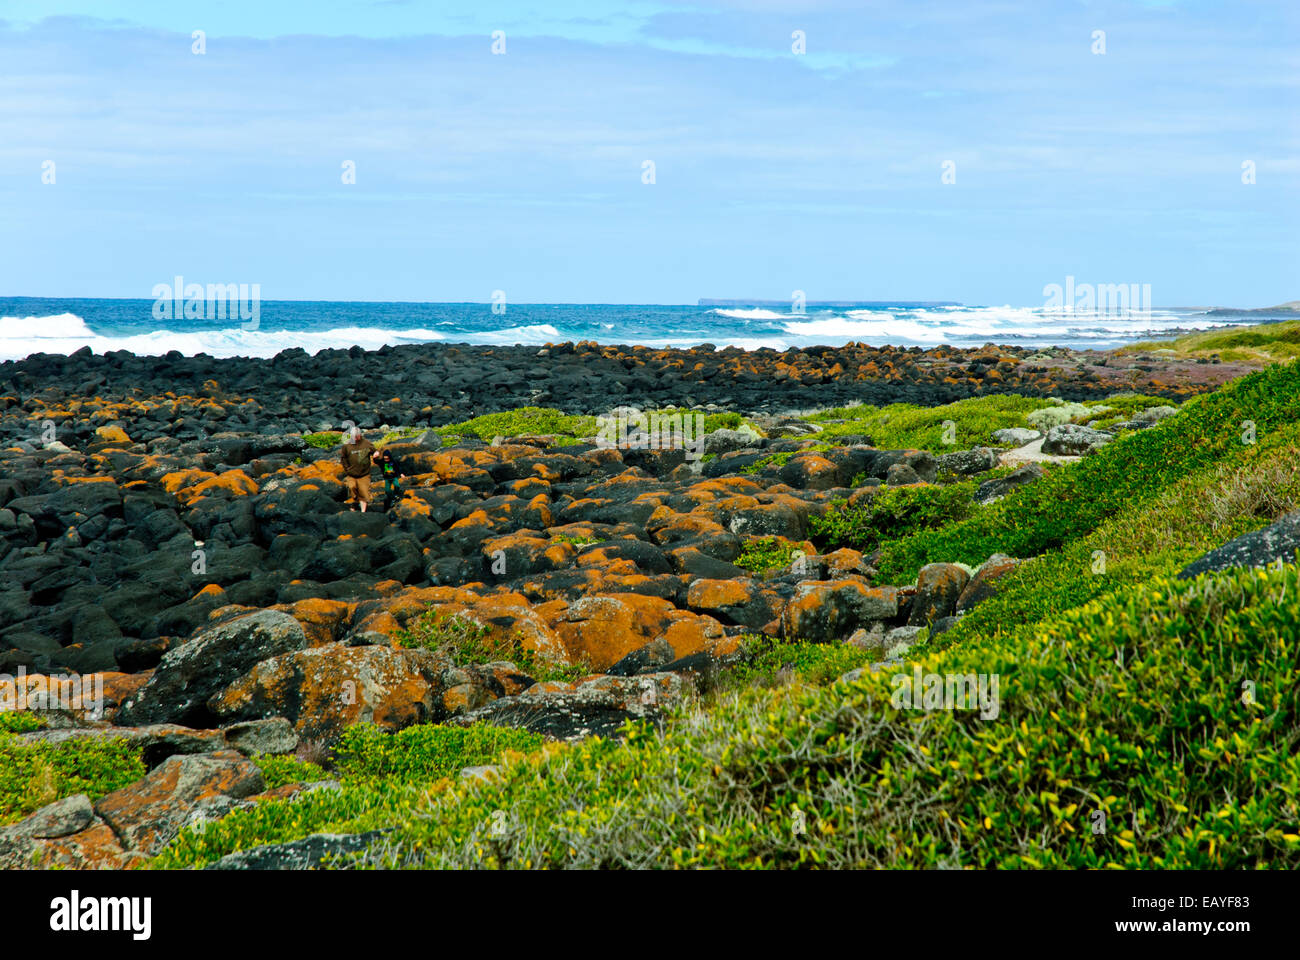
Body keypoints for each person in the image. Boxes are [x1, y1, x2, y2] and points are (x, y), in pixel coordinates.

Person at [339, 426, 376, 511]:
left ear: (360, 435)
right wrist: (347, 469)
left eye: (357, 436)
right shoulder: (346, 445)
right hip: (351, 473)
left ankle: (363, 511)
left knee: (364, 491)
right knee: (352, 488)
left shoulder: (366, 443)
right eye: (353, 436)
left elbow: (375, 451)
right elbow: (343, 458)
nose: (355, 438)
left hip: (364, 474)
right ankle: (355, 503)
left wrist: (376, 454)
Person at [375, 448, 404, 514]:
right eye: (385, 458)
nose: (386, 459)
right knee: (387, 490)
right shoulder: (382, 461)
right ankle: (393, 498)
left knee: (397, 486)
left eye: (387, 458)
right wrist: (375, 457)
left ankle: (396, 495)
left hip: (394, 477)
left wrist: (401, 474)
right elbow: (376, 461)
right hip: (387, 479)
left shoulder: (393, 461)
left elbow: (398, 468)